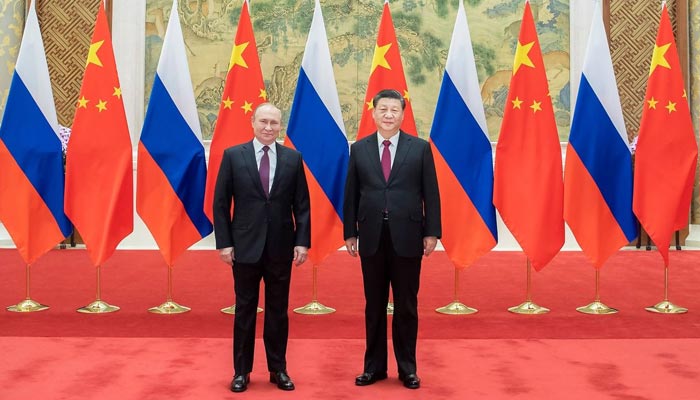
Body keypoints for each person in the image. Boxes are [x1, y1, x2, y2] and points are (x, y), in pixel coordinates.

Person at [343, 89, 441, 389]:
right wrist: (350, 231)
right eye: (383, 109)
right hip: (371, 235)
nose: (388, 115)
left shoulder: (420, 148)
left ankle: (407, 368)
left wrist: (432, 231)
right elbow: (350, 193)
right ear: (373, 113)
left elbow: (431, 194)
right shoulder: (359, 149)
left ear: (402, 114)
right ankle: (373, 368)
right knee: (374, 305)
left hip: (408, 236)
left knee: (406, 305)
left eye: (394, 110)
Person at [213, 103, 311, 393]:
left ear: (280, 126)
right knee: (244, 310)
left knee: (278, 311)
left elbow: (302, 206)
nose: (269, 128)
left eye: (274, 123)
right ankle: (241, 371)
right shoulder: (233, 156)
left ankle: (278, 369)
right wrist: (225, 243)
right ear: (252, 122)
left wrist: (302, 241)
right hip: (244, 247)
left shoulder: (293, 159)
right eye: (264, 122)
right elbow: (220, 204)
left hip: (281, 246)